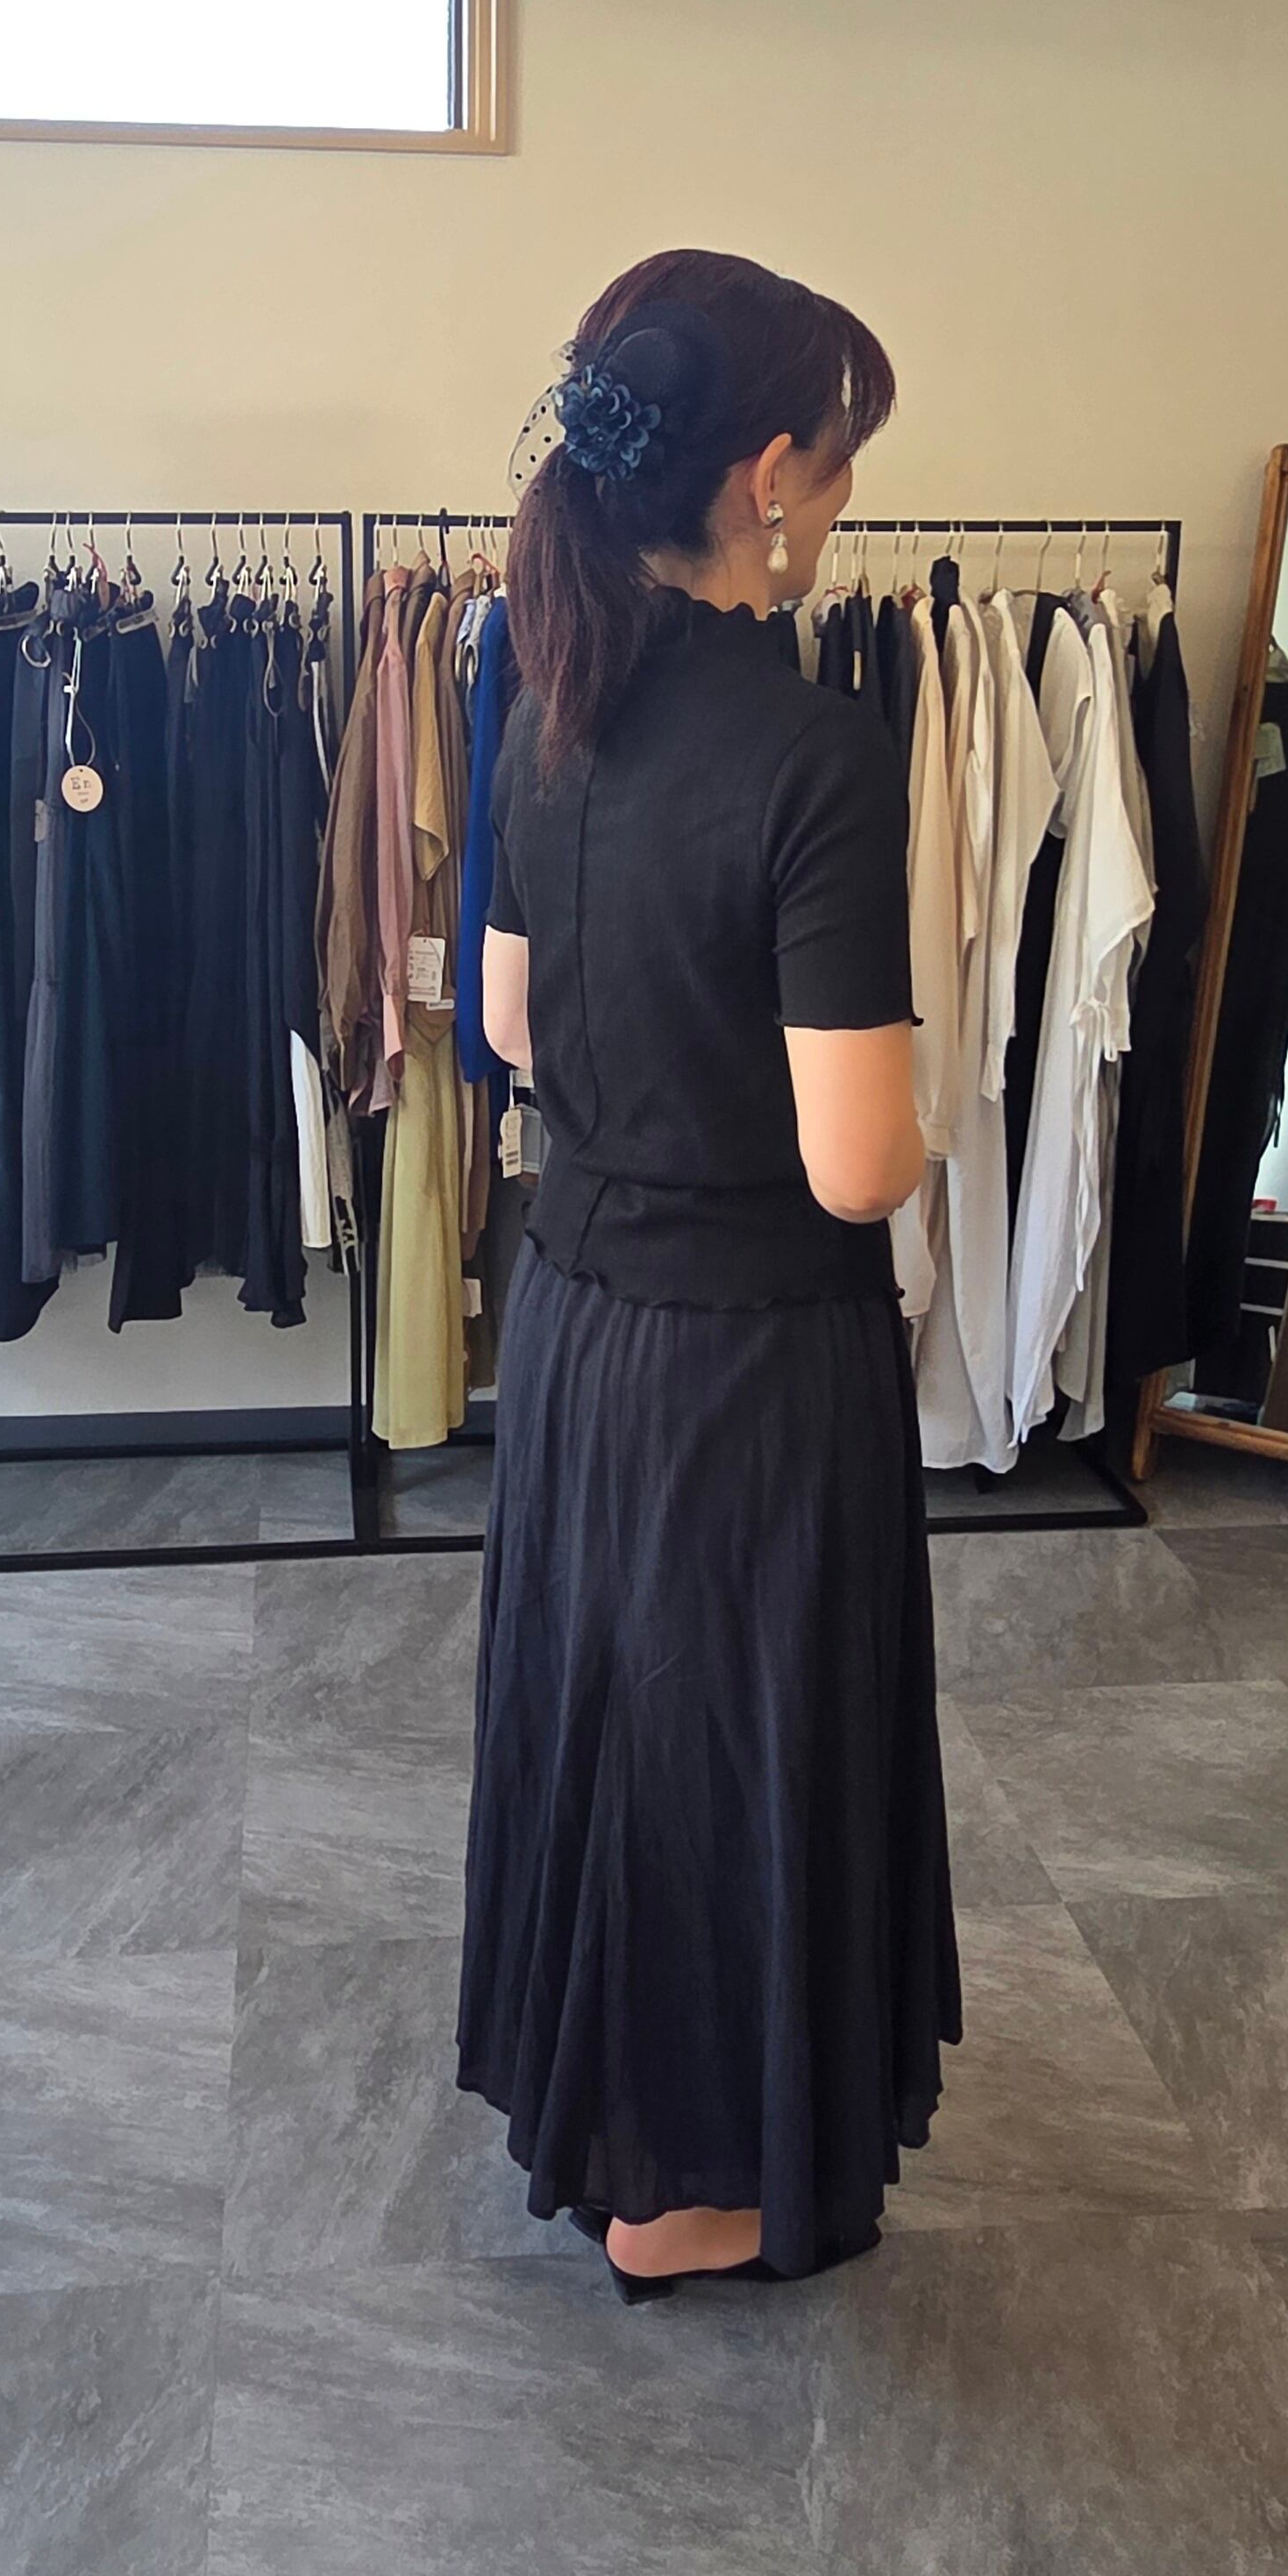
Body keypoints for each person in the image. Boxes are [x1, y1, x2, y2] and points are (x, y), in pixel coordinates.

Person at [457, 246, 962, 2299]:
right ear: (766, 475)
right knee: (734, 1746)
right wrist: (929, 1114)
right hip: (752, 1354)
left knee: (612, 1720)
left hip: (580, 1322)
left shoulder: (548, 706)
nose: (842, 497)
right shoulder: (813, 754)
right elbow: (855, 1161)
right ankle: (681, 2188)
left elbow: (507, 1022)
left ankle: (618, 2118)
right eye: (836, 458)